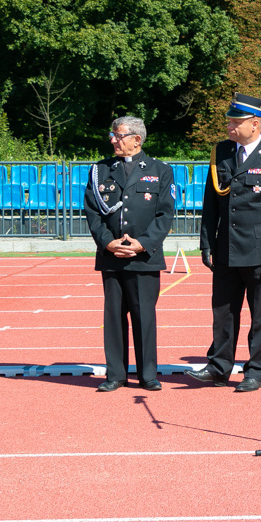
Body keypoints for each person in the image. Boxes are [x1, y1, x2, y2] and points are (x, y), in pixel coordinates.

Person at [186, 93, 261, 392]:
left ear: (255, 124)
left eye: (236, 122)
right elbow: (211, 204)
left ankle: (256, 369)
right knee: (223, 312)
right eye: (230, 121)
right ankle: (219, 367)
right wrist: (207, 243)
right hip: (226, 249)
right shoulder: (221, 152)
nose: (230, 127)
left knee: (260, 315)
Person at [83, 116, 175, 392]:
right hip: (111, 255)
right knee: (113, 317)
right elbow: (92, 212)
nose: (113, 140)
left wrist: (143, 243)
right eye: (112, 135)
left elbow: (165, 214)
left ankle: (148, 374)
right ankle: (116, 374)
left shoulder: (160, 170)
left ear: (136, 139)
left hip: (144, 256)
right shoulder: (100, 170)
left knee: (144, 316)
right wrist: (108, 243)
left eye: (118, 135)